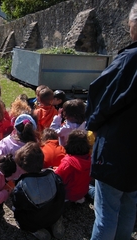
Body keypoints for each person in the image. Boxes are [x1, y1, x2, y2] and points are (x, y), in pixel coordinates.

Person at [85, 3, 137, 239]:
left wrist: (92, 124)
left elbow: (101, 94)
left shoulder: (130, 59)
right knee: (129, 208)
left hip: (118, 148)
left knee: (106, 213)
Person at [11, 142, 65, 240]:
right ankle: (56, 221)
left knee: (17, 213)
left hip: (35, 221)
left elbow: (18, 207)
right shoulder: (55, 177)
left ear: (22, 166)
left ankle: (35, 230)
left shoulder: (21, 187)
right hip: (54, 213)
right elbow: (62, 197)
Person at [55, 130, 91, 203]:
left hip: (68, 195)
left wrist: (56, 171)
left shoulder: (68, 163)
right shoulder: (90, 160)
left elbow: (57, 180)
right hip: (82, 193)